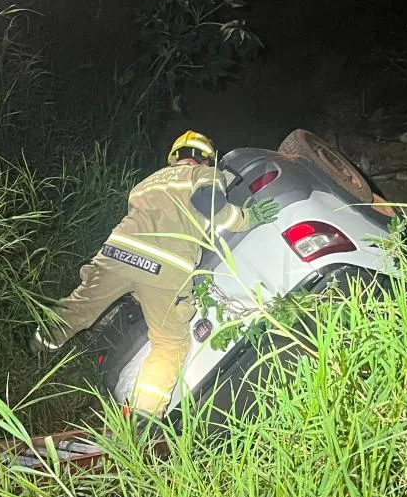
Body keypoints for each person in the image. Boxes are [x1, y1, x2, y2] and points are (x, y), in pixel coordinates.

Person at [33, 130, 280, 418]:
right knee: (170, 344)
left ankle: (37, 347)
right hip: (164, 269)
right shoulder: (203, 174)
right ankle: (142, 418)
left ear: (176, 157)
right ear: (205, 158)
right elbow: (208, 204)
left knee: (80, 306)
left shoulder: (147, 182)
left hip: (116, 256)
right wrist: (247, 218)